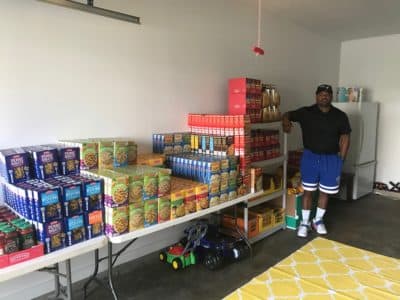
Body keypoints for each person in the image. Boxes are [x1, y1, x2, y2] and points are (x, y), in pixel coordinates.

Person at [282, 84, 351, 238]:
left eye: (327, 94)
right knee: (308, 191)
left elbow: (345, 137)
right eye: (321, 93)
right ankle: (305, 222)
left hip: (332, 158)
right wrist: (285, 122)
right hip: (310, 157)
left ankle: (318, 220)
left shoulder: (340, 116)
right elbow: (287, 114)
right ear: (316, 96)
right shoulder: (306, 112)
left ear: (331, 96)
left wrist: (341, 160)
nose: (324, 96)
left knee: (325, 192)